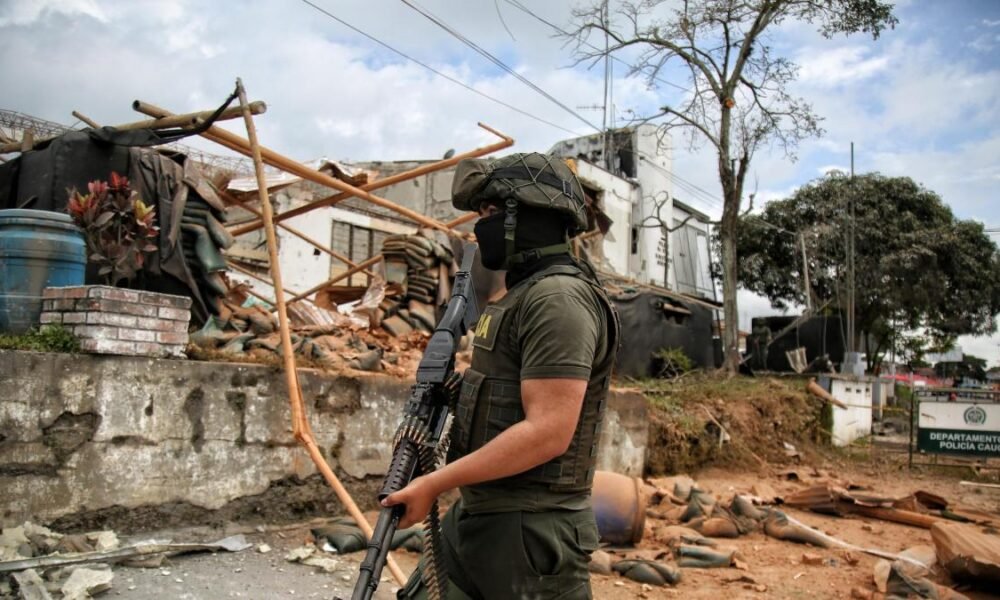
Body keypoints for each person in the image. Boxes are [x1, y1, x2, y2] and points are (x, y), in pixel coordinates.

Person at [383, 152, 620, 599]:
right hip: (484, 516)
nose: (480, 225)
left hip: (531, 534)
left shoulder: (559, 300)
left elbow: (548, 431)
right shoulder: (522, 295)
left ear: (527, 215)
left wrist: (435, 482)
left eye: (490, 212)